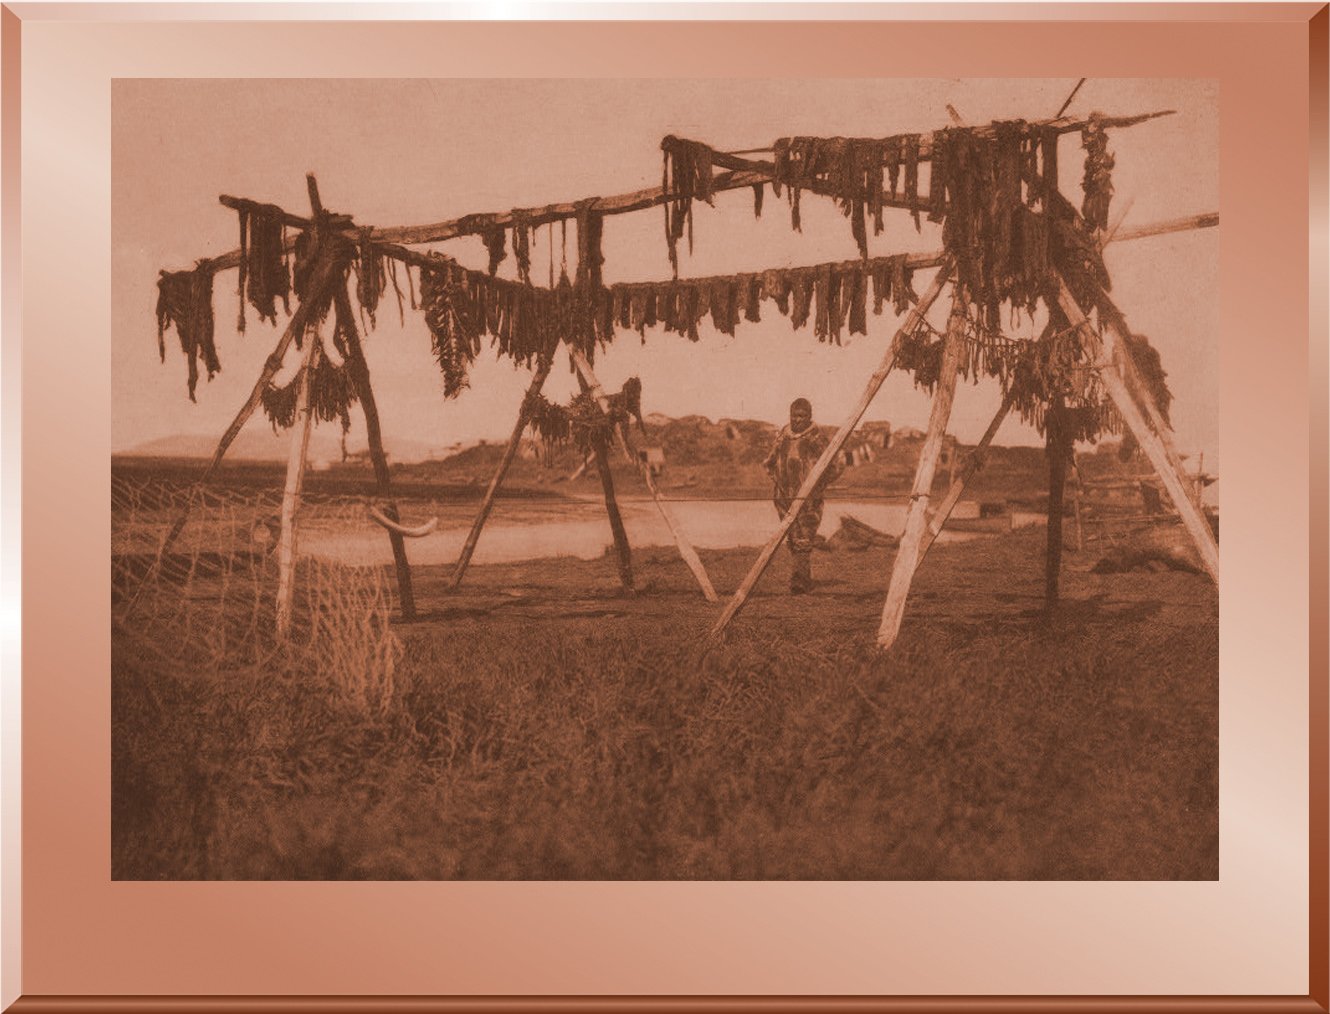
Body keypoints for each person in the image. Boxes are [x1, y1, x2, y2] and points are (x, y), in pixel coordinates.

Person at [763, 398, 842, 594]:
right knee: (791, 536)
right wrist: (778, 479)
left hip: (808, 499)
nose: (798, 420)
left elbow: (837, 465)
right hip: (783, 496)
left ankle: (800, 582)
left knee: (804, 538)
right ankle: (800, 576)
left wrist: (817, 485)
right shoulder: (783, 435)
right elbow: (770, 461)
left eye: (802, 416)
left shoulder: (817, 438)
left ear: (809, 417)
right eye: (794, 416)